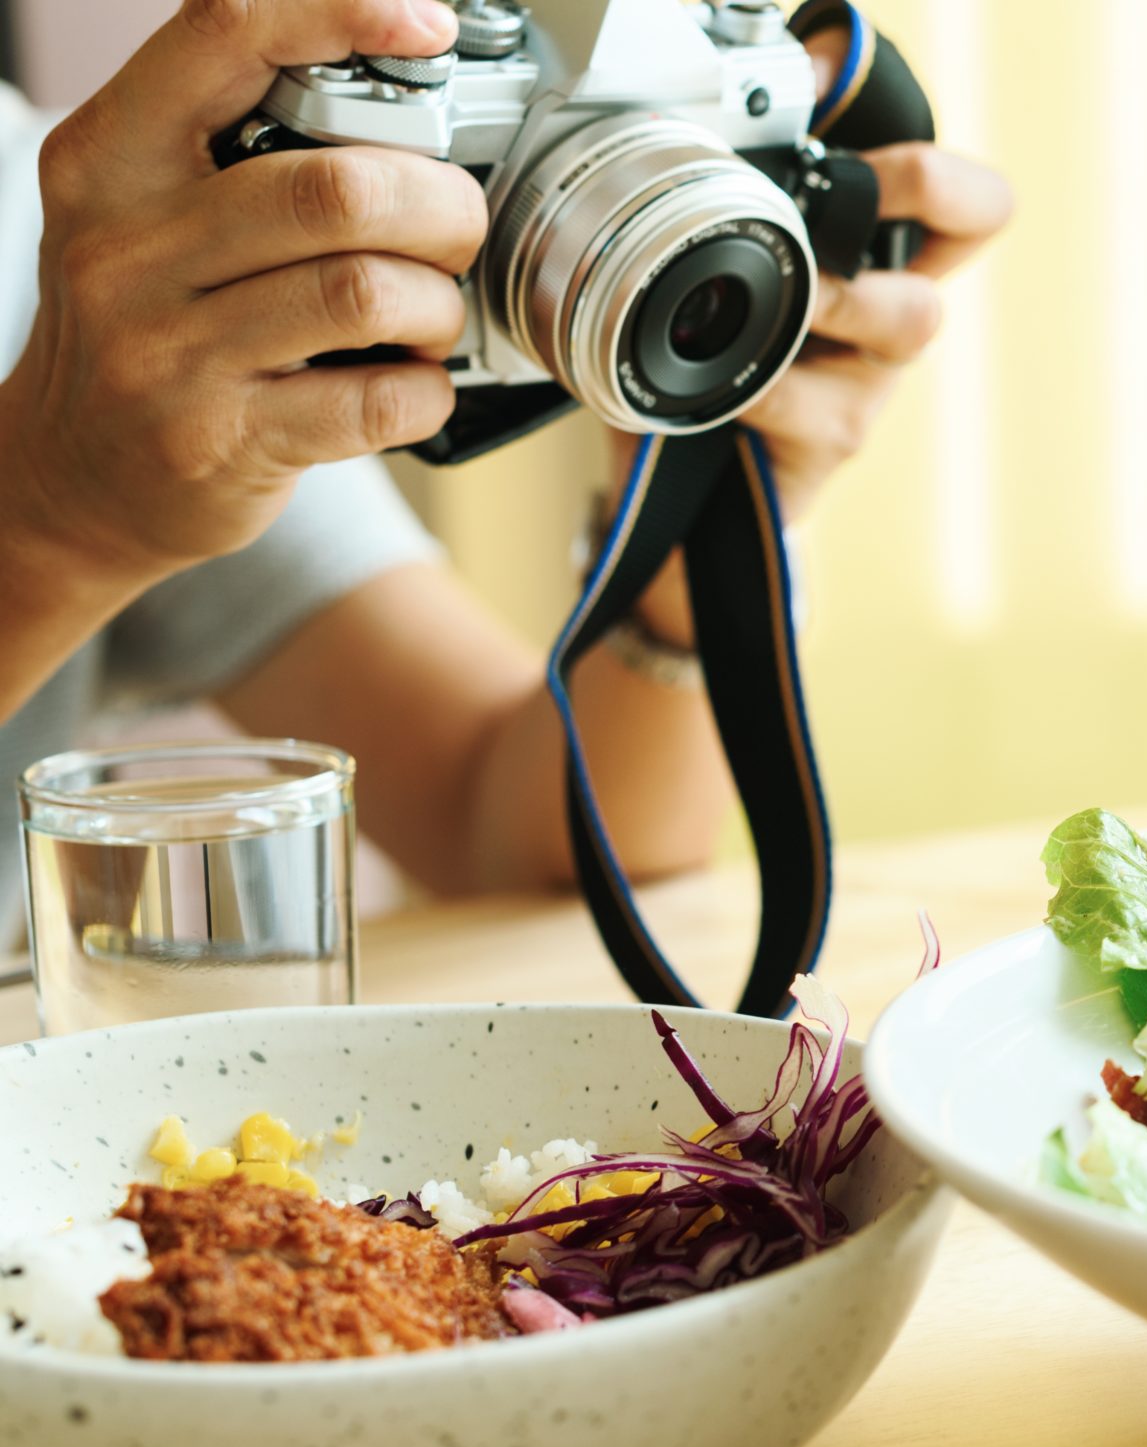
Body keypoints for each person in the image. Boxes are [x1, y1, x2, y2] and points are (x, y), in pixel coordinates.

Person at [0, 0, 1011, 942]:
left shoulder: (47, 216)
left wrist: (695, 546)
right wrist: (56, 517)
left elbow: (523, 836)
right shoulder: (72, 239)